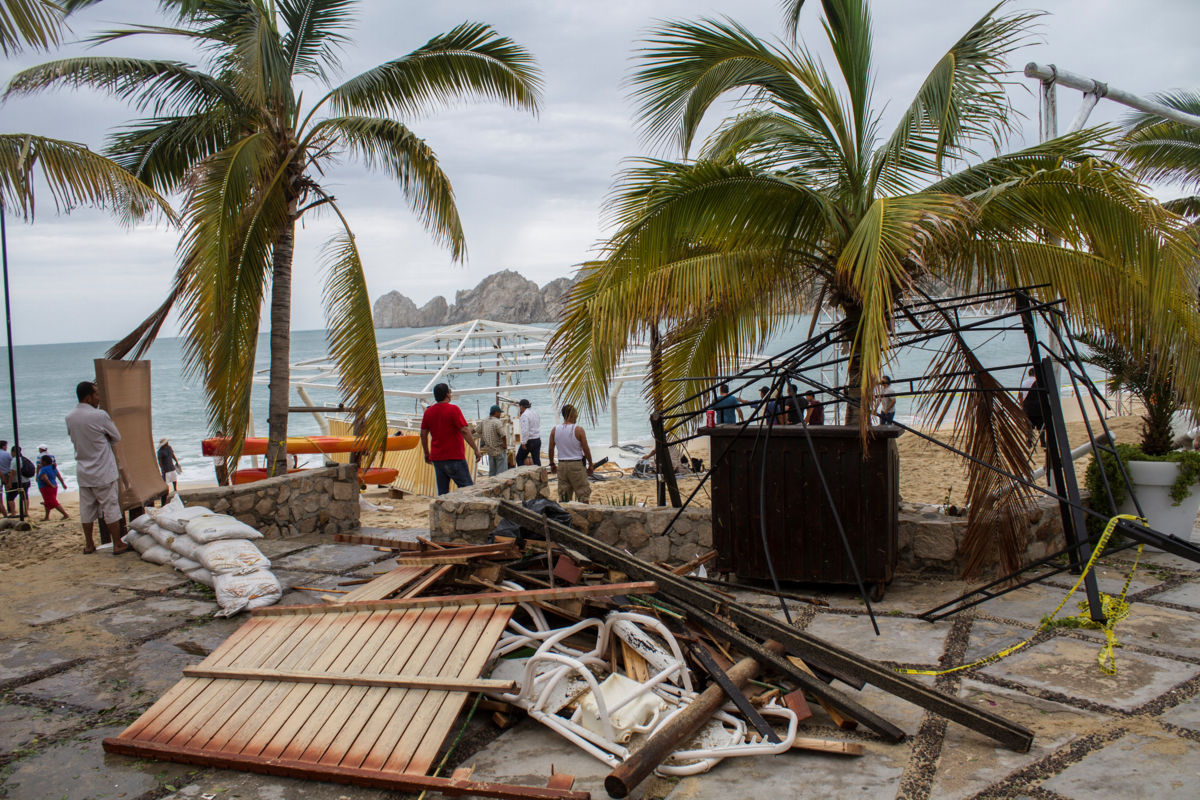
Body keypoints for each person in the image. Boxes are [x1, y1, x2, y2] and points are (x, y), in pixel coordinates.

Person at [65, 381, 129, 554]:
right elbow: (116, 437)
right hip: (102, 470)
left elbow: (74, 438)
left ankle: (89, 544)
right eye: (96, 395)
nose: (98, 398)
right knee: (110, 507)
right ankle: (117, 543)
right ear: (88, 397)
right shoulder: (99, 415)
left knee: (86, 509)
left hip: (83, 469)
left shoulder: (70, 417)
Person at [420, 383, 480, 495]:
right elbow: (465, 431)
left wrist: (426, 453)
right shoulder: (453, 409)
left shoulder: (428, 412)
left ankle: (444, 511)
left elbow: (423, 434)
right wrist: (475, 449)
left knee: (443, 493)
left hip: (437, 458)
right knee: (468, 490)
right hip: (454, 457)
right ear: (448, 394)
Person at [548, 404, 594, 503]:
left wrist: (552, 464)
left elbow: (551, 449)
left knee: (564, 497)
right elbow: (586, 449)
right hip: (576, 465)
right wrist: (590, 464)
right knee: (583, 494)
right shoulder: (578, 430)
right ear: (572, 415)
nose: (577, 416)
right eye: (576, 414)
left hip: (562, 465)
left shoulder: (555, 430)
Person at [36, 454, 68, 520]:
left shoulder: (43, 469)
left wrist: (50, 485)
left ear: (44, 462)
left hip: (47, 488)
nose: (40, 462)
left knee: (53, 502)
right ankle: (46, 517)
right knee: (47, 502)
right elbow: (59, 476)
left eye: (41, 461)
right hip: (54, 487)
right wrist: (63, 484)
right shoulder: (53, 467)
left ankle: (65, 514)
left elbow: (45, 478)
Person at [480, 405, 508, 477]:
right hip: (499, 450)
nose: (500, 414)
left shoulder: (484, 421)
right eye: (499, 413)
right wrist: (505, 445)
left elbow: (476, 430)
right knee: (501, 473)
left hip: (490, 451)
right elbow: (503, 435)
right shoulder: (497, 422)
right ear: (496, 412)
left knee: (492, 473)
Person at [7, 445, 32, 517]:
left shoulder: (15, 460)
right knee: (25, 496)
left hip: (17, 481)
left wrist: (9, 483)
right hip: (26, 480)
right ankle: (25, 512)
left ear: (13, 452)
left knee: (10, 497)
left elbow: (13, 473)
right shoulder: (24, 459)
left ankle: (13, 513)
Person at [515, 399, 542, 466]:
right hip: (537, 439)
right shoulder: (535, 413)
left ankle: (523, 473)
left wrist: (524, 442)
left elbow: (525, 430)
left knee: (519, 458)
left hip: (530, 440)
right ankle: (539, 474)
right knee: (536, 460)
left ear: (521, 406)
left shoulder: (525, 415)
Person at [0, 440, 11, 517]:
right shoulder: (7, 454)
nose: (6, 447)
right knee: (9, 492)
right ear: (3, 446)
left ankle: (2, 508)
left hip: (1, 474)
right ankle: (9, 509)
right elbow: (12, 464)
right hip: (7, 474)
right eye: (6, 446)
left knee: (0, 495)